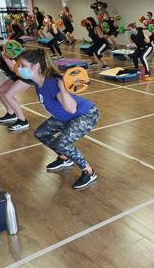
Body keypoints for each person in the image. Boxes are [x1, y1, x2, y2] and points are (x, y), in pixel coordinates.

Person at [17, 49, 99, 190]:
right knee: (41, 133)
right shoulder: (36, 81)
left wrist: (62, 87)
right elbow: (13, 72)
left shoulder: (53, 83)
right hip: (65, 117)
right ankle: (64, 158)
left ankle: (89, 172)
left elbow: (72, 109)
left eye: (22, 65)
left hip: (85, 114)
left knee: (62, 142)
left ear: (36, 66)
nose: (20, 68)